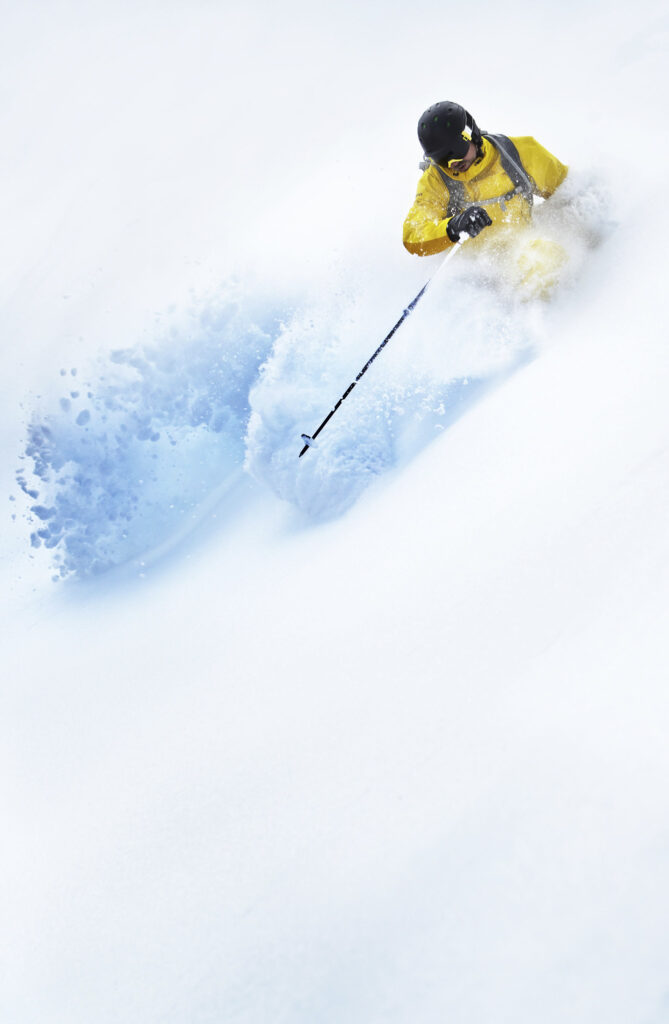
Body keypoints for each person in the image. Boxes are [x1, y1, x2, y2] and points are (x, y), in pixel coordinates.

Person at [403, 101, 569, 298]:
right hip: (474, 275)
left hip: (520, 255)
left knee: (546, 256)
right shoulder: (436, 181)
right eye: (442, 160)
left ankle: (542, 321)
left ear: (470, 134)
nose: (453, 164)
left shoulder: (519, 153)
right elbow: (413, 236)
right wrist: (453, 227)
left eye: (457, 151)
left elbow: (568, 193)